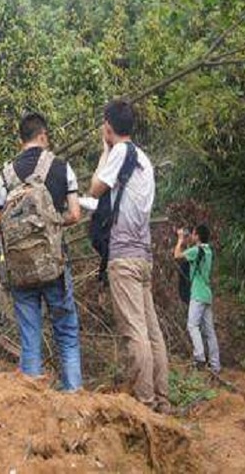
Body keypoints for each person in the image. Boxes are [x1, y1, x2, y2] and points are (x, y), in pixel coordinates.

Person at [0, 112, 83, 392]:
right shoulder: (62, 167)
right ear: (43, 136)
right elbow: (76, 214)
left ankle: (34, 408)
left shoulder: (6, 174)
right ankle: (74, 397)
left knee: (30, 337)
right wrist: (53, 223)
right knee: (66, 333)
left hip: (20, 272)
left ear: (21, 140)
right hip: (54, 264)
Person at [89, 99, 170, 413]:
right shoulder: (144, 160)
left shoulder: (120, 152)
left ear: (108, 125)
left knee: (134, 331)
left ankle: (145, 403)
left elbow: (96, 188)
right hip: (143, 255)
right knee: (151, 331)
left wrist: (104, 148)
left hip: (123, 257)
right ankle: (162, 399)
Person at [174, 224, 221, 374]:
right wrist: (188, 243)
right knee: (209, 331)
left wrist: (180, 239)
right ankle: (215, 365)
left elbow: (177, 255)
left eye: (194, 234)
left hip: (197, 294)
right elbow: (194, 255)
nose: (192, 236)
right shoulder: (208, 251)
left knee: (192, 325)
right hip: (207, 294)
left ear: (198, 236)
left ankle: (199, 356)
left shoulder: (196, 250)